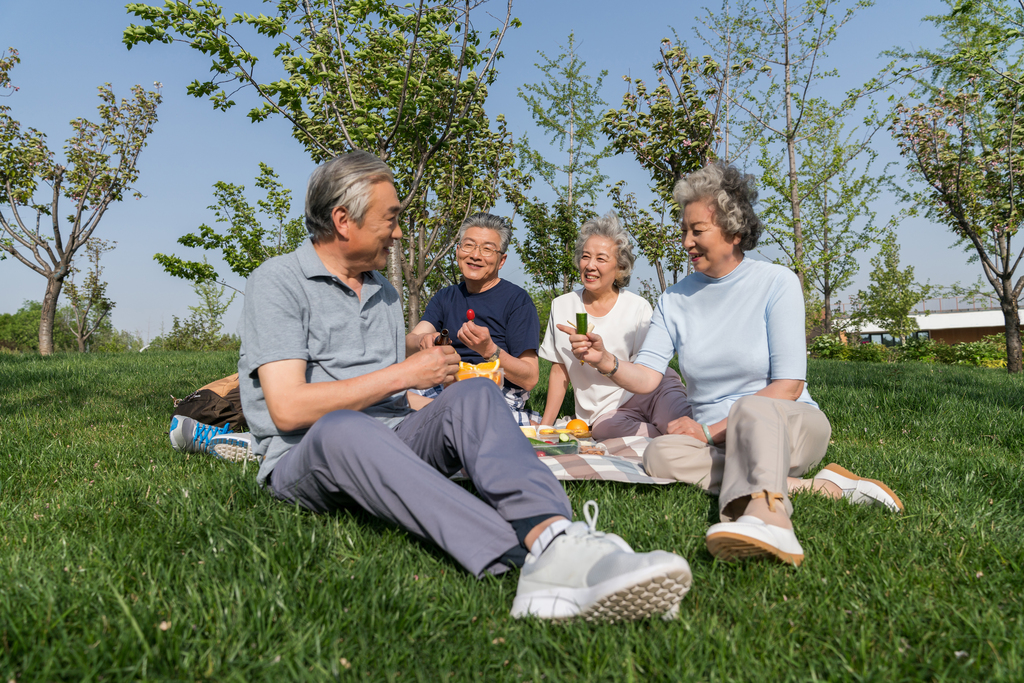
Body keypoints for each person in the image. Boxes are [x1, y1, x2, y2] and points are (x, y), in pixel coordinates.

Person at [235, 149, 692, 620]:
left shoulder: (383, 291)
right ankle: (526, 560)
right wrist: (407, 373)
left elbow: (396, 391)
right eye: (390, 219)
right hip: (307, 456)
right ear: (343, 219)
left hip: (393, 439)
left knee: (474, 393)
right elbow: (287, 409)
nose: (397, 232)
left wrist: (429, 396)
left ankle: (556, 534)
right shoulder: (279, 282)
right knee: (344, 428)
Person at [562, 161, 903, 566]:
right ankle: (823, 488)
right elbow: (649, 377)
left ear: (734, 230)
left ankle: (768, 517)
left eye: (697, 230)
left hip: (787, 425)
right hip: (719, 440)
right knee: (660, 456)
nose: (686, 241)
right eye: (684, 230)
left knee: (753, 409)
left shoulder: (777, 283)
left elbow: (789, 386)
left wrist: (707, 432)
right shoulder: (674, 299)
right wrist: (607, 361)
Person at [538, 212, 690, 439]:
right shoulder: (561, 306)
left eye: (601, 258)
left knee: (685, 424)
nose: (590, 265)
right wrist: (544, 427)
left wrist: (603, 358)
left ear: (619, 268)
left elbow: (649, 369)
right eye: (585, 256)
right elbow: (560, 369)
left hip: (654, 391)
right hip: (608, 411)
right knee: (605, 431)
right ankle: (665, 436)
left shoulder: (638, 307)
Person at [406, 213, 541, 425]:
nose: (475, 255)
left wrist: (490, 351)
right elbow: (410, 342)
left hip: (493, 387)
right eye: (468, 245)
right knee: (386, 394)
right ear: (458, 251)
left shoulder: (517, 301)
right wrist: (422, 340)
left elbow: (530, 377)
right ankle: (443, 413)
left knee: (469, 412)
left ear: (501, 260)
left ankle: (443, 414)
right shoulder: (445, 297)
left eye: (487, 249)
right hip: (447, 381)